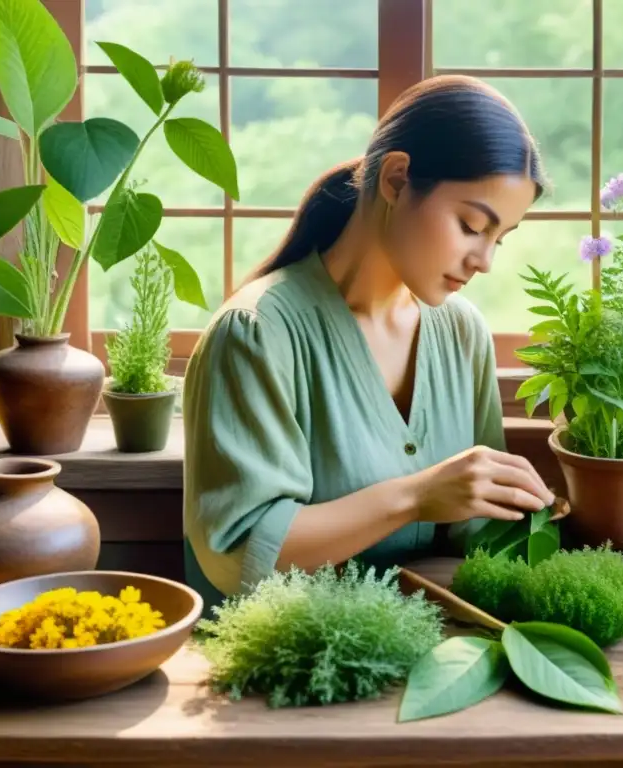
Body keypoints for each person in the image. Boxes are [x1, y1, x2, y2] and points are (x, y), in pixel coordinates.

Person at [182, 75, 556, 609]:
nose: (484, 261)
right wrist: (417, 497)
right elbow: (239, 554)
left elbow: (477, 534)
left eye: (501, 238)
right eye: (472, 225)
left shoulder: (462, 332)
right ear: (397, 180)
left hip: (425, 645)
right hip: (277, 666)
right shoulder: (257, 331)